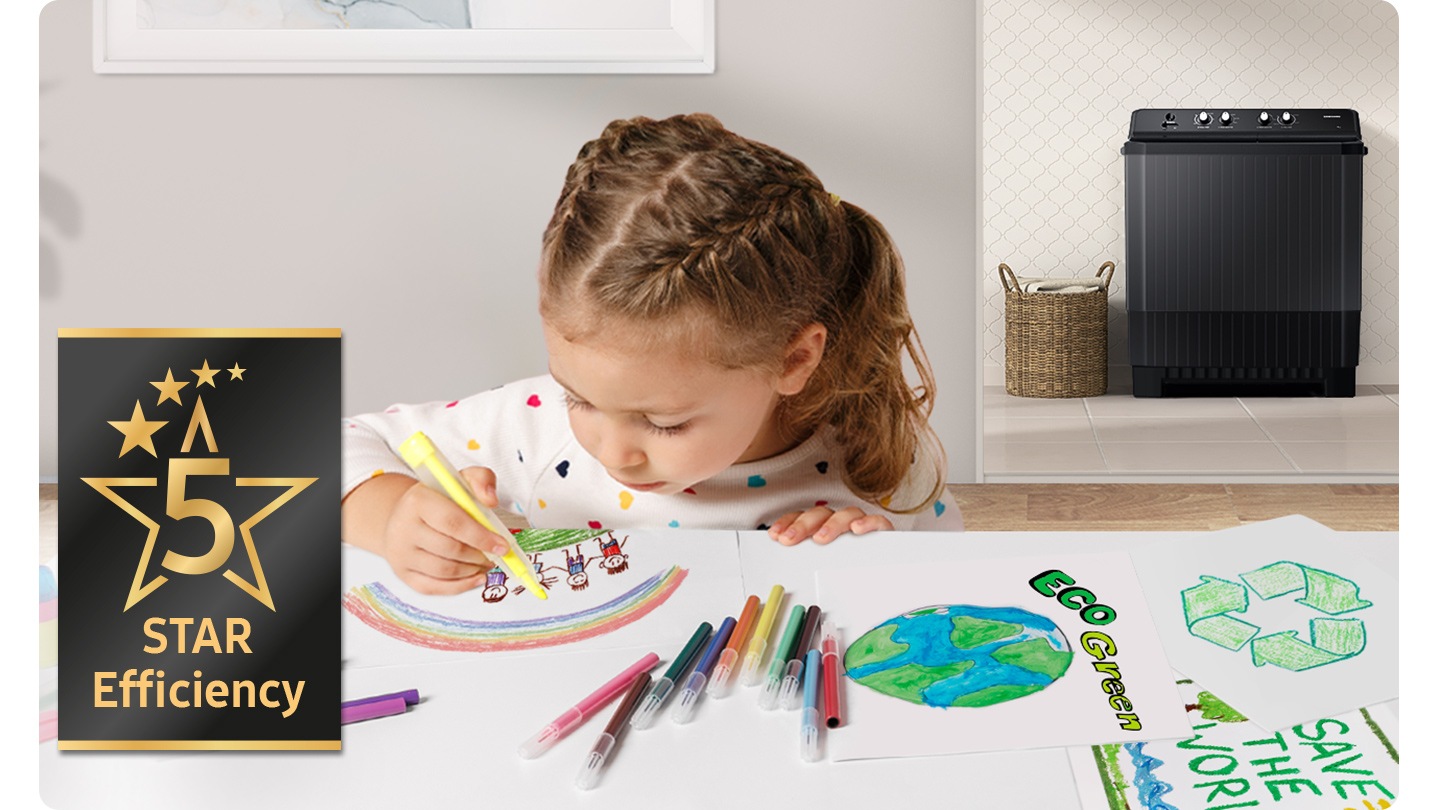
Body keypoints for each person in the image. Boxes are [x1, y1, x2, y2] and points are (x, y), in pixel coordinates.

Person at [341, 113, 963, 594]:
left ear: (794, 360)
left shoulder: (883, 461)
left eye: (664, 423)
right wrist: (393, 515)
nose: (613, 452)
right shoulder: (533, 428)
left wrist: (880, 569)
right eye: (578, 397)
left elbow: (954, 594)